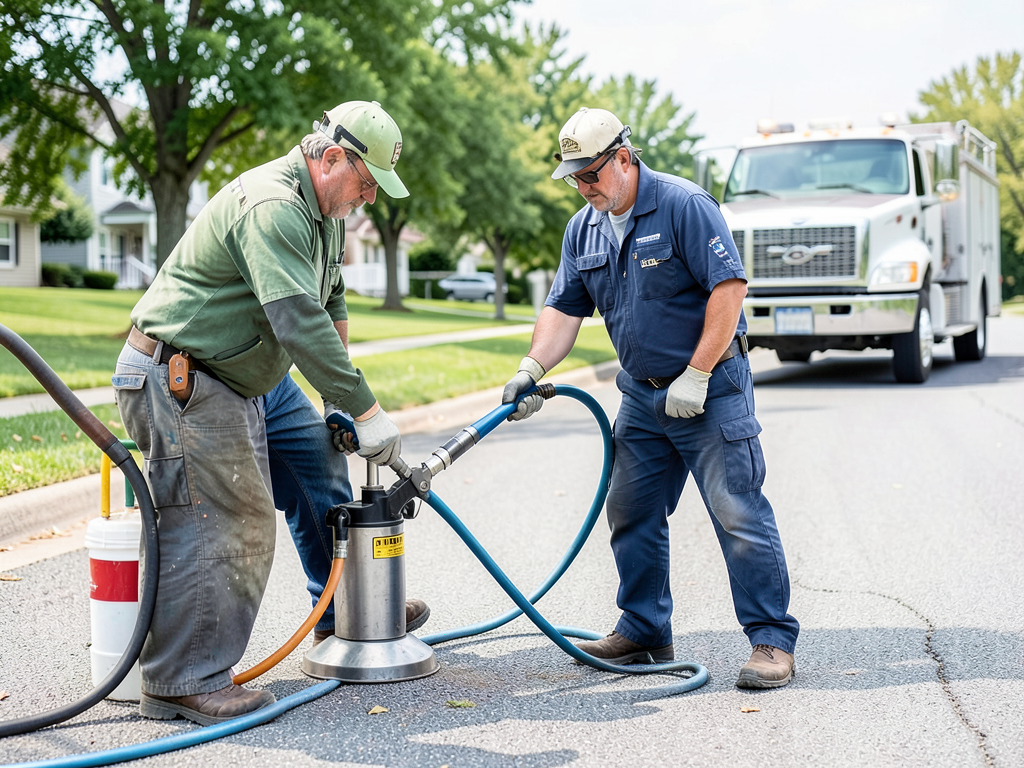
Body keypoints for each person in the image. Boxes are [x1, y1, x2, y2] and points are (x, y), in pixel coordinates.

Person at [112, 100, 429, 725]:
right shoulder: (274, 206)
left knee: (317, 462)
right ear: (332, 157)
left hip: (252, 376)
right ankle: (184, 680)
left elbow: (331, 304)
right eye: (367, 183)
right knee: (228, 518)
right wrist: (367, 410)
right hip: (186, 374)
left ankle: (343, 615)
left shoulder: (326, 213)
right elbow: (298, 320)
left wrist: (337, 403)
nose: (368, 198)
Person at [502, 108, 799, 688]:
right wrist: (531, 368)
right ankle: (644, 629)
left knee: (737, 511)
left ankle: (771, 640)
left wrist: (697, 372)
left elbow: (729, 289)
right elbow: (563, 309)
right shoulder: (583, 229)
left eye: (591, 174)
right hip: (641, 397)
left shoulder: (683, 205)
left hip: (710, 388)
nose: (584, 188)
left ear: (623, 158)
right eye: (574, 178)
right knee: (630, 509)